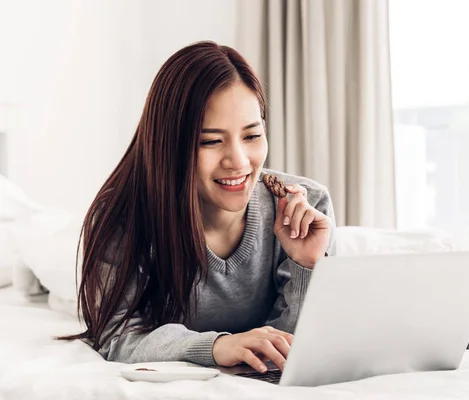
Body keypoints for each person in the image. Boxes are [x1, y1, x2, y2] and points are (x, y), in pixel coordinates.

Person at [59, 41, 335, 374]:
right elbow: (117, 337)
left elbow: (292, 350)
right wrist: (217, 346)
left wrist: (306, 264)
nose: (238, 161)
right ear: (170, 144)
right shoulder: (123, 220)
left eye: (251, 136)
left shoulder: (309, 206)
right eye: (211, 141)